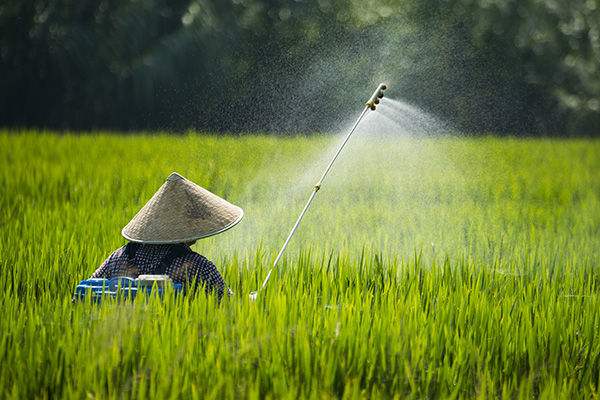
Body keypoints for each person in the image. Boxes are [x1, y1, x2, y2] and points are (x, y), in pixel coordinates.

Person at [91, 172, 243, 299]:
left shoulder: (118, 256)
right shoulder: (197, 265)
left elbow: (86, 290)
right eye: (194, 217)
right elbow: (229, 304)